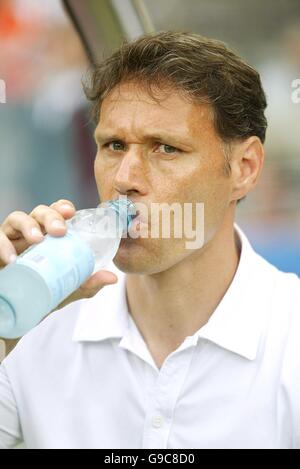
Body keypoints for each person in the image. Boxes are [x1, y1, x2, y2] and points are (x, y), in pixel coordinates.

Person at [0, 31, 299, 449]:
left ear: (245, 167)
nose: (125, 178)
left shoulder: (290, 339)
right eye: (114, 145)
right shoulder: (43, 320)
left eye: (166, 148)